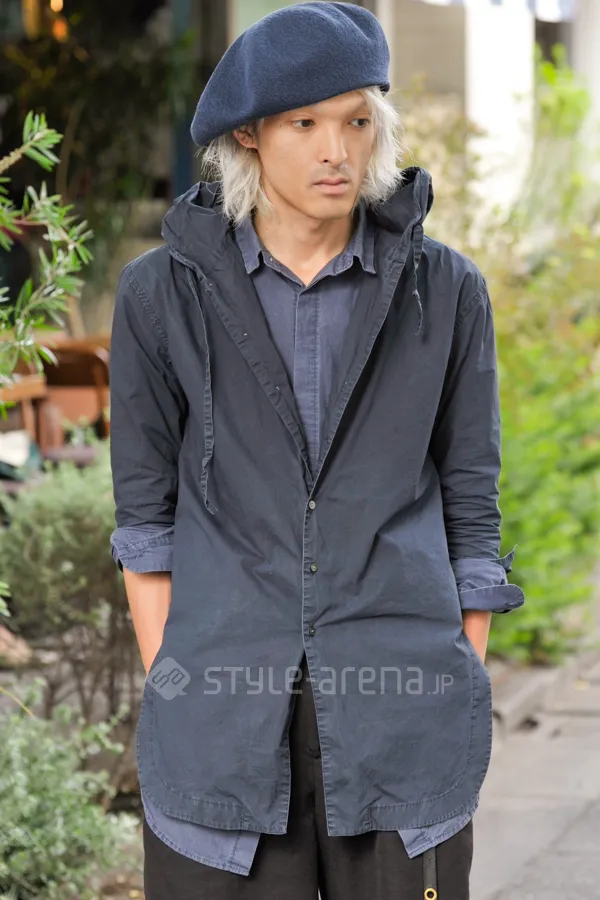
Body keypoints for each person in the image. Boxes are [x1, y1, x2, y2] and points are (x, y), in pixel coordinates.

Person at [108, 3, 525, 898]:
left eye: (357, 121)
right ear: (250, 134)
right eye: (305, 124)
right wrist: (177, 682)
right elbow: (146, 520)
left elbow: (472, 506)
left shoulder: (447, 292)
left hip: (402, 713)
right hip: (219, 718)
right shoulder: (158, 296)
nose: (338, 150)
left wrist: (454, 671)